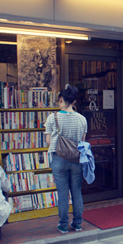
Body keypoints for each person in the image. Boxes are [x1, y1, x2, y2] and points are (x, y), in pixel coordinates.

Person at [44, 84, 88, 234]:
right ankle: (77, 224)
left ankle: (63, 224)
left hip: (59, 158)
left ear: (61, 99)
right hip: (76, 160)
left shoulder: (52, 117)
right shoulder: (82, 119)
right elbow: (82, 141)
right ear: (74, 101)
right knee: (76, 191)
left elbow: (49, 141)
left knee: (63, 192)